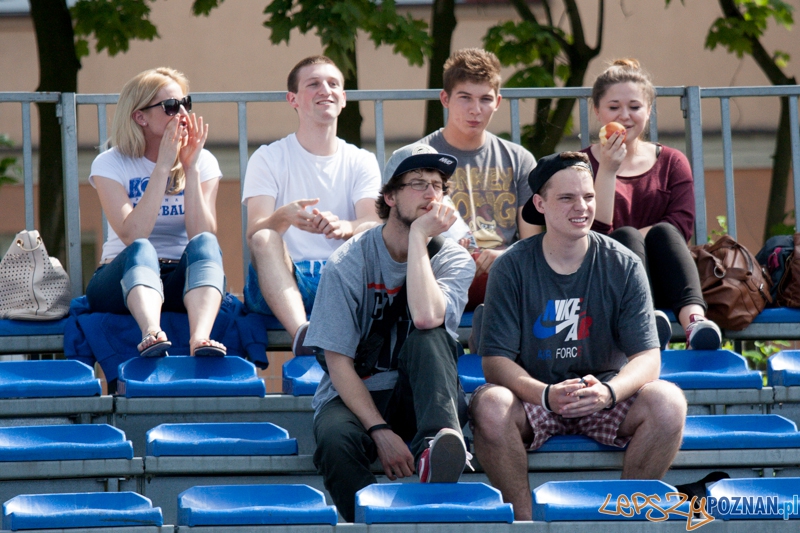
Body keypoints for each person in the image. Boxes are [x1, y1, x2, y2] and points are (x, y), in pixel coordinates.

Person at [470, 152, 687, 521]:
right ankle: (524, 524)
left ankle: (626, 521)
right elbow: (495, 361)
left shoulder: (623, 262)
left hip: (604, 391)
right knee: (489, 405)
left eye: (588, 197)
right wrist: (545, 395)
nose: (582, 207)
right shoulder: (511, 266)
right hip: (534, 395)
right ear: (540, 203)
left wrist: (609, 392)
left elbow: (649, 358)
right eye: (567, 198)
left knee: (668, 402)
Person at [307, 143, 475, 522]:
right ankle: (371, 523)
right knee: (334, 440)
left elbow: (428, 318)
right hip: (358, 394)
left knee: (430, 336)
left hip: (421, 394)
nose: (431, 193)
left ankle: (437, 446)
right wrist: (380, 431)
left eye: (438, 185)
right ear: (389, 196)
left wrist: (419, 239)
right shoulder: (347, 263)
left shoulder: (453, 258)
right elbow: (337, 363)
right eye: (417, 183)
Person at [242, 56, 382, 354]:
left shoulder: (361, 160)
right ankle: (303, 337)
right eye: (313, 84)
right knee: (265, 236)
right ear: (292, 99)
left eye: (333, 84)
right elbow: (254, 232)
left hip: (341, 279)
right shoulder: (268, 157)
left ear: (343, 99)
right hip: (280, 280)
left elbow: (373, 222)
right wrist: (284, 217)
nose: (325, 90)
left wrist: (346, 227)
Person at [85, 67, 226, 358]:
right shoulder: (110, 163)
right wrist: (162, 166)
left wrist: (191, 168)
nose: (183, 114)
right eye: (171, 107)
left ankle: (199, 338)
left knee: (208, 244)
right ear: (140, 117)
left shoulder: (203, 160)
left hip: (178, 277)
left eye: (186, 103)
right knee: (141, 248)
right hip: (121, 279)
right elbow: (132, 233)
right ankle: (152, 332)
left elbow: (202, 234)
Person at [582, 58, 721, 350]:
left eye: (634, 107)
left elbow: (681, 227)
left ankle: (695, 322)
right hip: (606, 277)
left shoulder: (671, 161)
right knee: (626, 237)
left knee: (665, 233)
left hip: (665, 272)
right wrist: (606, 169)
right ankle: (644, 319)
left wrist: (641, 238)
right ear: (597, 112)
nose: (625, 116)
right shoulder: (582, 165)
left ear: (648, 111)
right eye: (613, 107)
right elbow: (594, 233)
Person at [418, 48, 538, 311]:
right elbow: (403, 236)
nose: (475, 110)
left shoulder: (519, 159)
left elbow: (533, 242)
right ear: (445, 98)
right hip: (439, 270)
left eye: (485, 99)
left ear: (497, 102)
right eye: (465, 98)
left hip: (504, 273)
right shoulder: (420, 157)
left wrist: (505, 256)